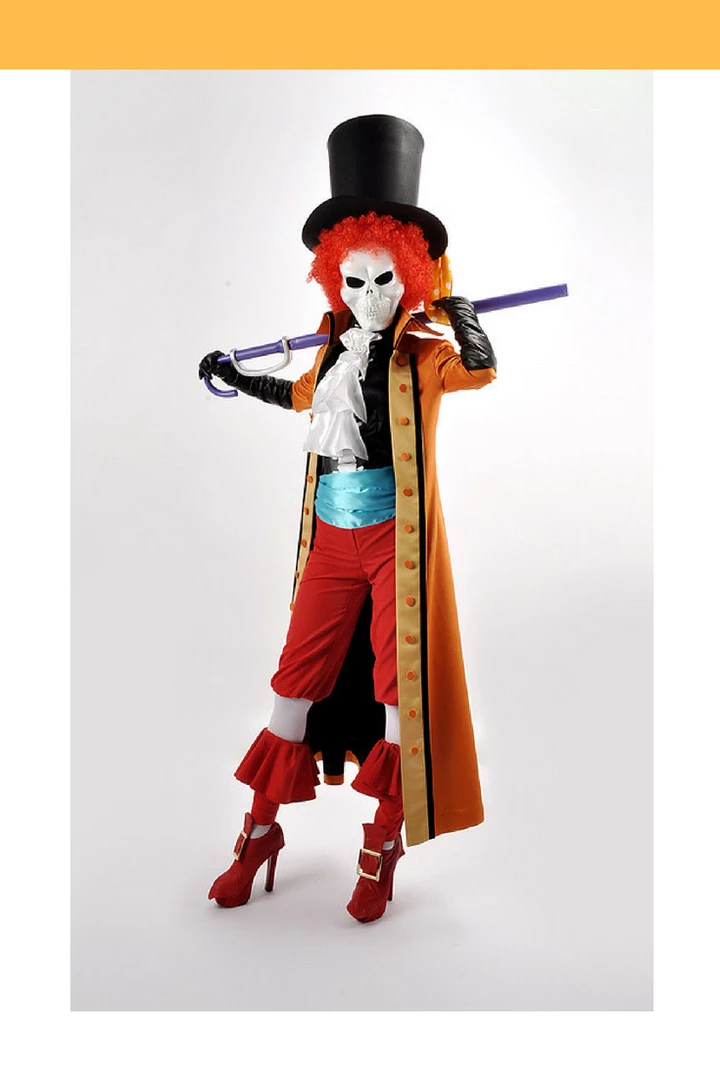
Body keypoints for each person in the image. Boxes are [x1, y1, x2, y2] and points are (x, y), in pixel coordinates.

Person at [199, 115, 497, 923]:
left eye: (386, 280)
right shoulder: (331, 355)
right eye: (353, 281)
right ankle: (260, 832)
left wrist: (457, 307)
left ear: (412, 277)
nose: (369, 297)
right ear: (334, 280)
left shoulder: (423, 353)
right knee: (293, 685)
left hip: (396, 545)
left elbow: (480, 369)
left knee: (400, 693)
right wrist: (235, 374)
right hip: (331, 541)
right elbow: (300, 396)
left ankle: (381, 846)